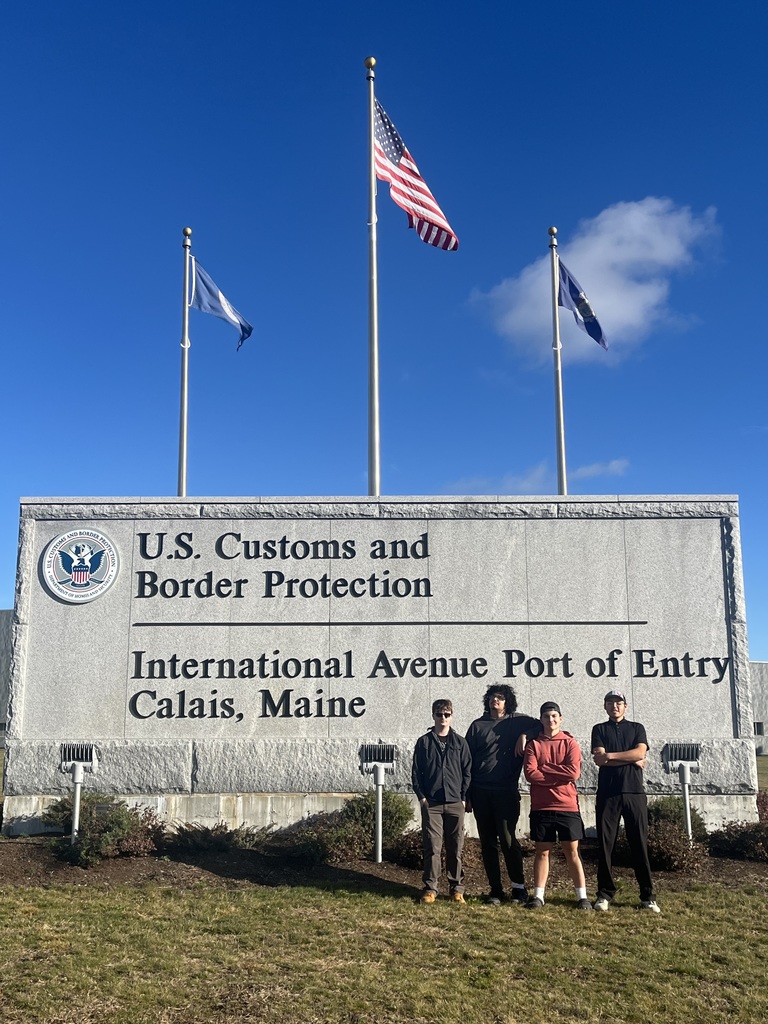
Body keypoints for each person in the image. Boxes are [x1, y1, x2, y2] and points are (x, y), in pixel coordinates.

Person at [465, 683, 540, 904]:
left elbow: (542, 725)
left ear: (508, 701)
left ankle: (518, 888)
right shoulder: (477, 726)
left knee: (508, 841)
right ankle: (495, 890)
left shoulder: (518, 721)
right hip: (480, 792)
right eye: (491, 697)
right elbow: (466, 762)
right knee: (487, 843)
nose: (494, 700)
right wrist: (467, 795)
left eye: (499, 697)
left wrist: (525, 734)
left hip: (506, 791)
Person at [591, 689, 660, 913]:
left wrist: (611, 756)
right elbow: (600, 760)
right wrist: (630, 758)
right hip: (608, 794)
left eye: (618, 703)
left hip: (634, 793)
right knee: (605, 845)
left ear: (625, 706)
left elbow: (640, 753)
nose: (615, 706)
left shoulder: (637, 728)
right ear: (605, 706)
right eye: (610, 703)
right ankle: (604, 894)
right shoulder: (599, 729)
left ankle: (648, 897)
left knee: (639, 844)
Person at [522, 701, 592, 910]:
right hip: (541, 807)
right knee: (542, 852)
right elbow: (531, 774)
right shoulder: (534, 745)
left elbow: (573, 773)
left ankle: (582, 897)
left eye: (554, 716)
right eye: (546, 716)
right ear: (541, 720)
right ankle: (538, 896)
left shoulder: (570, 743)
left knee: (572, 852)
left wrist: (545, 768)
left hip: (567, 806)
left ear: (560, 719)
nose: (550, 720)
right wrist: (558, 774)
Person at [411, 698, 472, 904]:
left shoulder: (460, 743)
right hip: (432, 803)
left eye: (447, 714)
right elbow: (416, 772)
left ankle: (456, 889)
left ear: (452, 716)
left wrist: (463, 797)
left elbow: (467, 771)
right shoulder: (424, 742)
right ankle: (430, 889)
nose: (443, 718)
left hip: (455, 802)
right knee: (433, 847)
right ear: (433, 716)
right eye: (439, 714)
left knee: (455, 847)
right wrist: (422, 797)